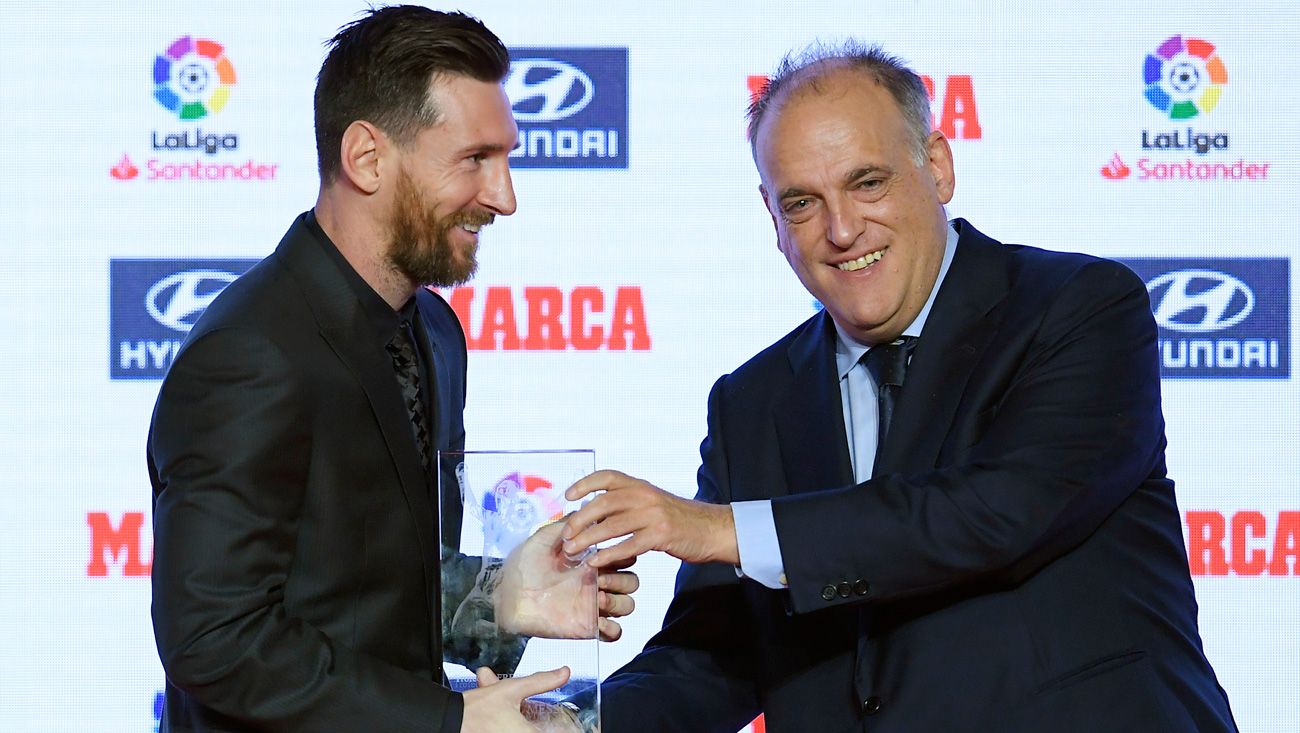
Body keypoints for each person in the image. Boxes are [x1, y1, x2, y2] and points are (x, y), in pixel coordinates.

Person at [561, 43, 1238, 731]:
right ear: (773, 217)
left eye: (867, 183)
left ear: (937, 166)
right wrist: (562, 723)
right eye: (803, 202)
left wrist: (718, 527)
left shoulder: (1079, 309)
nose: (842, 230)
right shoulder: (750, 403)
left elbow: (994, 514)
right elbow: (712, 658)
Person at [148, 7, 635, 732]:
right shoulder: (250, 353)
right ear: (367, 158)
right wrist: (447, 721)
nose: (505, 197)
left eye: (506, 158)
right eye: (475, 159)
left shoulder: (434, 329)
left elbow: (367, 585)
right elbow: (216, 640)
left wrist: (502, 599)